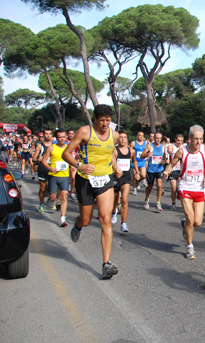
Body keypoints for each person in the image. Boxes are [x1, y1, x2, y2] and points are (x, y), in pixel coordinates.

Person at [62, 104, 120, 280]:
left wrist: (115, 167)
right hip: (85, 179)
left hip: (104, 180)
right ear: (95, 119)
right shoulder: (85, 132)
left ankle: (106, 264)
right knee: (86, 219)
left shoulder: (115, 135)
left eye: (108, 121)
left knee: (105, 218)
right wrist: (80, 165)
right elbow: (66, 153)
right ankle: (79, 225)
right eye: (102, 120)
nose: (105, 124)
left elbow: (110, 152)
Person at [163, 125, 205, 260]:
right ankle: (190, 246)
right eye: (195, 139)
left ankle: (185, 225)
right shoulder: (181, 151)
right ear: (189, 138)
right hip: (185, 187)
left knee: (197, 222)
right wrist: (167, 171)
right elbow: (172, 164)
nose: (198, 142)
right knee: (190, 218)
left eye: (200, 139)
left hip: (199, 188)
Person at [41, 129, 70, 227]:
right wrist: (50, 168)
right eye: (60, 137)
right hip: (53, 176)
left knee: (64, 196)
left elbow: (72, 159)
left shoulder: (68, 148)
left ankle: (62, 218)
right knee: (52, 197)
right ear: (56, 138)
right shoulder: (51, 148)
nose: (62, 139)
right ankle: (51, 202)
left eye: (63, 137)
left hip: (65, 176)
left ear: (66, 137)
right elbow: (43, 160)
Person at [111, 131, 139, 232]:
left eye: (125, 137)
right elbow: (112, 161)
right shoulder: (114, 150)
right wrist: (115, 169)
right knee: (114, 200)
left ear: (127, 139)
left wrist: (137, 171)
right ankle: (114, 212)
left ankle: (123, 223)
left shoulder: (131, 151)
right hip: (116, 177)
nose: (123, 139)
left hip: (127, 176)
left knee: (125, 200)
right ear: (118, 139)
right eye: (121, 137)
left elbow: (134, 161)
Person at [141, 131, 167, 211]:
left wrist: (164, 161)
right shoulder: (149, 146)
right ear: (154, 138)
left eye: (159, 138)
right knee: (150, 186)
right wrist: (147, 155)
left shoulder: (163, 147)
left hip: (159, 169)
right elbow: (142, 156)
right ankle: (146, 200)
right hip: (150, 170)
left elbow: (164, 158)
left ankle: (158, 203)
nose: (158, 140)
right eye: (157, 138)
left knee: (159, 185)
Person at [33, 128, 54, 213]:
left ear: (52, 135)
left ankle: (51, 199)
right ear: (43, 135)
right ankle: (41, 204)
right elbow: (33, 159)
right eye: (46, 134)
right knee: (42, 188)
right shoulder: (40, 146)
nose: (48, 135)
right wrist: (38, 159)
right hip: (43, 169)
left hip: (53, 168)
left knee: (53, 188)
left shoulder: (55, 146)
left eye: (49, 133)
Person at [166, 134, 185, 210]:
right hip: (173, 170)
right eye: (178, 140)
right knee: (174, 189)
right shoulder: (172, 146)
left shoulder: (184, 148)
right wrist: (171, 152)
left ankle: (184, 204)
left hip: (181, 170)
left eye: (181, 141)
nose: (179, 142)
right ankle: (173, 203)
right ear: (175, 140)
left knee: (181, 189)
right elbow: (169, 150)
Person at [130, 131, 148, 195]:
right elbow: (130, 151)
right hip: (135, 161)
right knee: (135, 176)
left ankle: (139, 182)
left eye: (142, 135)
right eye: (140, 135)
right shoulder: (133, 143)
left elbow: (148, 150)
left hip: (142, 161)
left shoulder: (145, 143)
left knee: (143, 175)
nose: (141, 137)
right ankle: (134, 189)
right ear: (137, 136)